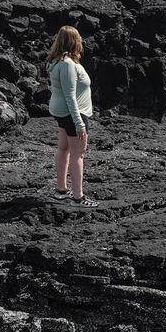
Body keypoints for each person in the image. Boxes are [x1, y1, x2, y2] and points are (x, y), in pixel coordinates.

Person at [47, 24, 94, 208]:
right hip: (72, 114)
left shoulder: (56, 60)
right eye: (79, 38)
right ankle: (78, 197)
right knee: (78, 155)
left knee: (64, 149)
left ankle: (61, 190)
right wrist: (79, 123)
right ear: (74, 41)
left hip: (62, 113)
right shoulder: (67, 64)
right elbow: (70, 96)